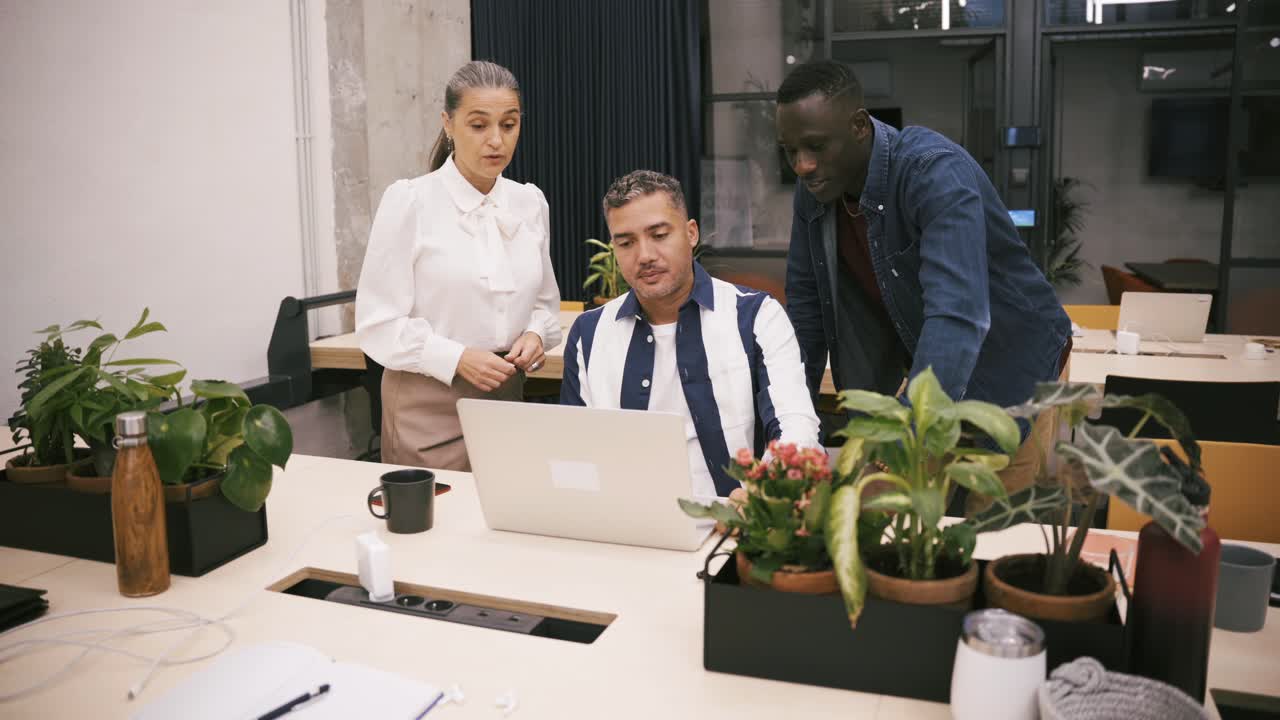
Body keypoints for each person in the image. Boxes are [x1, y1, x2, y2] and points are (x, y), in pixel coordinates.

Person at [776, 60, 1071, 510]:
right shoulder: (815, 192)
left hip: (1012, 365)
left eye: (815, 146)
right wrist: (793, 429)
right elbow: (807, 312)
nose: (802, 165)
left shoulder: (933, 171)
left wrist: (907, 441)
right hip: (931, 367)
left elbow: (957, 316)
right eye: (790, 150)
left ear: (858, 126)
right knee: (898, 527)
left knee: (988, 529)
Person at [560, 170, 820, 499]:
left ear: (691, 233)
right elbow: (573, 450)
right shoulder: (589, 332)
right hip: (623, 530)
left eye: (659, 235)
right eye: (626, 243)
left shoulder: (755, 317)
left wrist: (765, 496)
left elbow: (795, 427)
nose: (645, 256)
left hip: (733, 529)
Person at [356, 61, 562, 470]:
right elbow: (377, 324)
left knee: (506, 524)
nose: (496, 140)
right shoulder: (410, 201)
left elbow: (544, 304)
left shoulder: (529, 202)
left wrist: (537, 335)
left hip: (507, 398)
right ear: (448, 124)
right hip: (426, 405)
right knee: (436, 527)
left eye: (509, 124)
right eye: (478, 125)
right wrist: (456, 358)